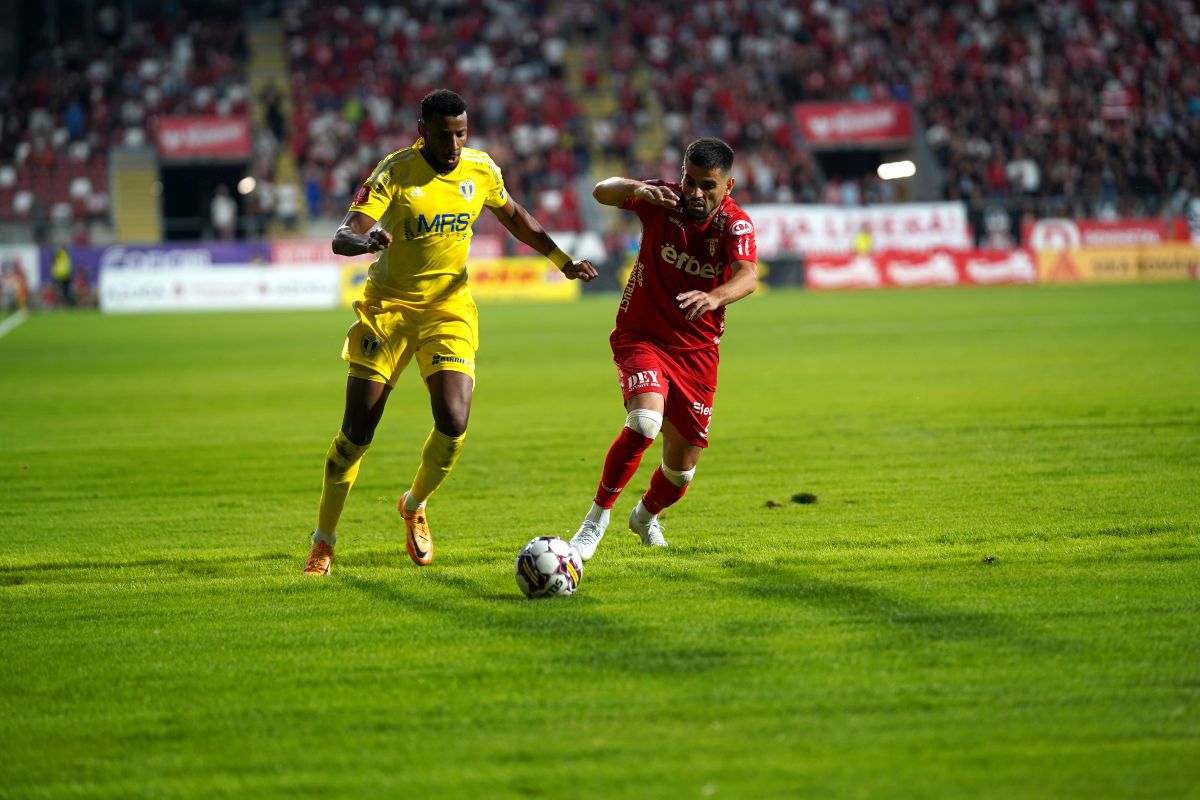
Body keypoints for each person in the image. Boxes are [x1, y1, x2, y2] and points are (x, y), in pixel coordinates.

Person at [305, 89, 597, 576]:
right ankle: (324, 540)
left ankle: (414, 504)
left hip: (449, 308)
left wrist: (562, 261)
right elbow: (342, 234)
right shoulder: (394, 172)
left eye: (462, 133)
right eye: (445, 135)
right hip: (389, 311)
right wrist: (366, 240)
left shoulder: (481, 170)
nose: (455, 144)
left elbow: (515, 218)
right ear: (423, 132)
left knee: (454, 420)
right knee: (357, 434)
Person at [569, 137, 757, 560]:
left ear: (727, 187)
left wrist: (714, 297)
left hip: (697, 352)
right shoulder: (663, 199)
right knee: (644, 421)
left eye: (707, 185)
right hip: (643, 336)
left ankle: (645, 515)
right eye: (689, 180)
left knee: (680, 471)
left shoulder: (735, 225)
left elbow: (748, 276)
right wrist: (635, 188)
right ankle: (592, 524)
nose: (695, 193)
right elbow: (603, 190)